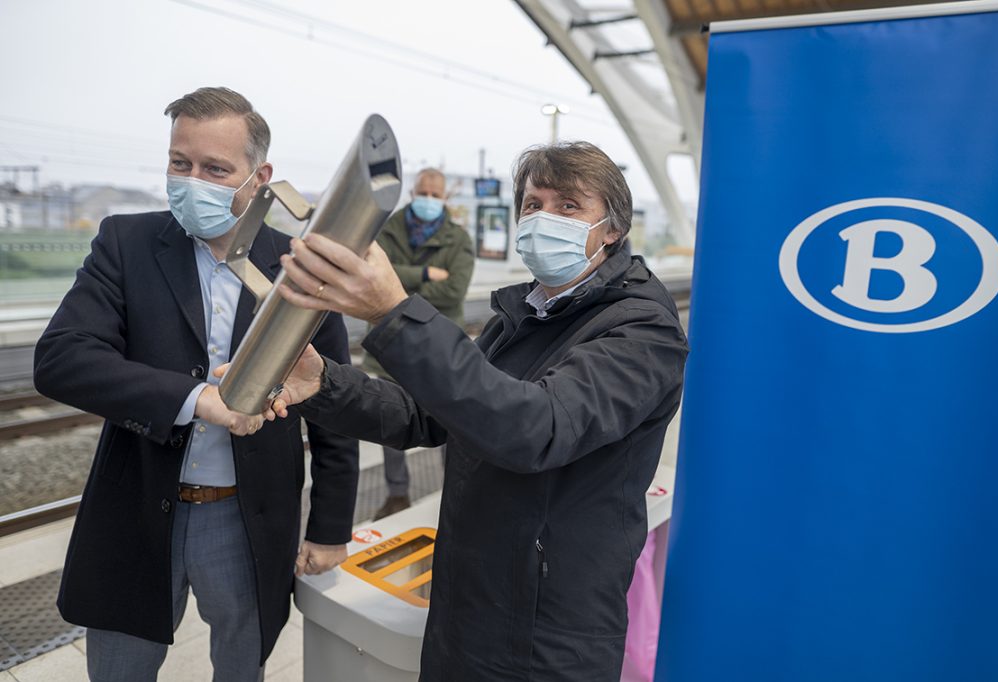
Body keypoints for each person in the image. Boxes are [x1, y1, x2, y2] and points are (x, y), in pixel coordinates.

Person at [258, 141, 688, 680]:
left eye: (569, 206)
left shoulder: (641, 331)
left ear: (612, 230)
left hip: (548, 634)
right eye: (533, 205)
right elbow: (427, 413)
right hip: (466, 604)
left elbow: (535, 429)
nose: (543, 218)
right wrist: (323, 384)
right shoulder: (520, 315)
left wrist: (395, 314)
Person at [33, 87, 360, 682]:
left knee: (242, 663)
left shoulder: (300, 264)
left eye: (215, 168)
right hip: (136, 506)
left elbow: (333, 398)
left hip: (246, 513)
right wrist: (195, 400)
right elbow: (61, 357)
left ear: (259, 177)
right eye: (180, 163)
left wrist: (331, 527)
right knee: (119, 669)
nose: (192, 180)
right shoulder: (126, 242)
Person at [362, 167, 474, 520]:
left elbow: (455, 291)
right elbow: (369, 275)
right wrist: (425, 275)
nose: (428, 199)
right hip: (389, 345)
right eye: (423, 192)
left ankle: (452, 494)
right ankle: (397, 494)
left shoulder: (458, 239)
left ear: (445, 199)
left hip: (436, 345)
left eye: (435, 194)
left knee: (448, 423)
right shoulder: (385, 229)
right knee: (389, 423)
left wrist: (395, 287)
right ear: (413, 192)